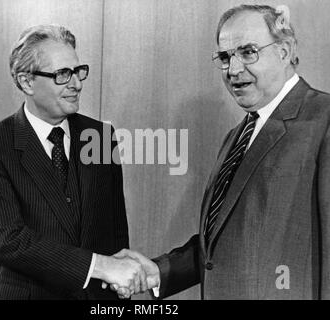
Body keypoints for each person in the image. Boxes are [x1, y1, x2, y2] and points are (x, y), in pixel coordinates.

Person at [114, 4, 330, 299]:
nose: (234, 69)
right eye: (226, 57)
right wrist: (159, 273)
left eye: (248, 52)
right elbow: (222, 243)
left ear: (284, 51)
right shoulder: (236, 137)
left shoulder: (323, 120)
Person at [0, 24, 147, 300]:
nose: (76, 84)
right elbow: (9, 241)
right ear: (27, 82)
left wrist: (120, 283)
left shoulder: (100, 136)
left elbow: (115, 230)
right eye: (62, 74)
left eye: (78, 71)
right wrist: (100, 267)